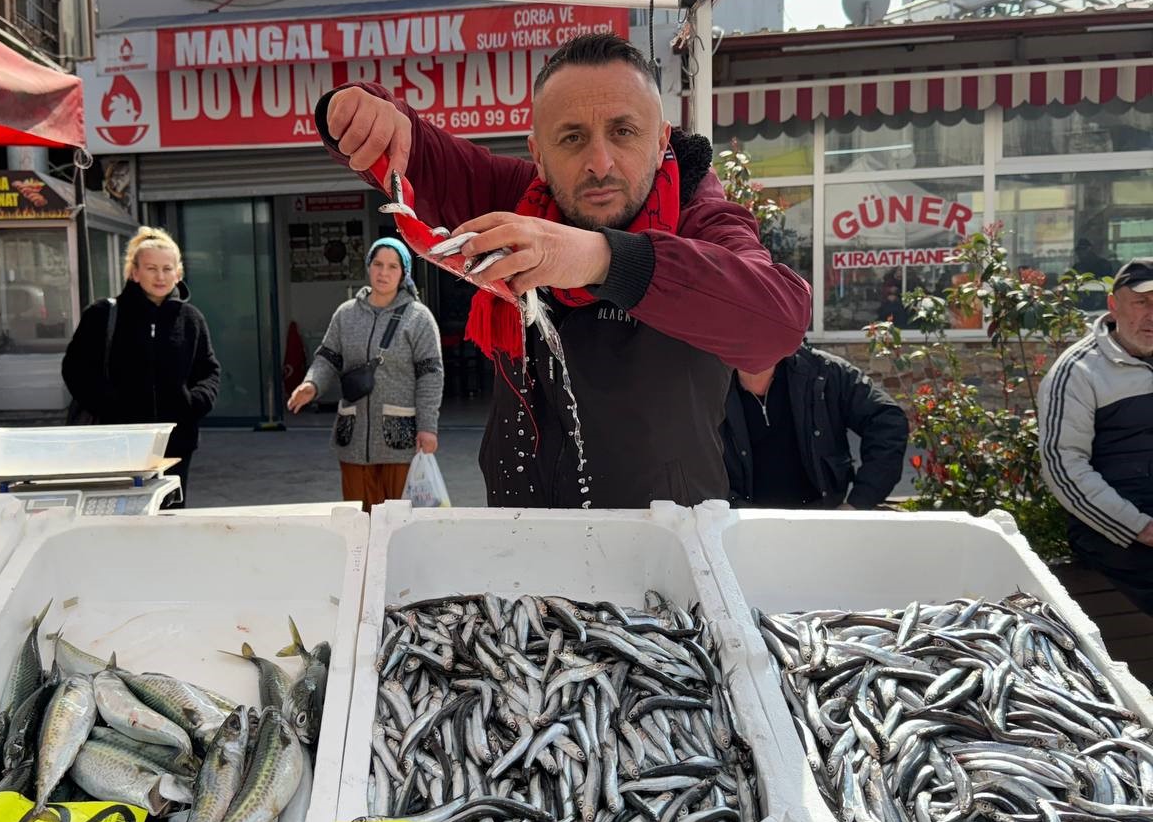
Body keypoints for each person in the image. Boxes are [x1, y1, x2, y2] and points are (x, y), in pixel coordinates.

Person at [314, 33, 811, 508]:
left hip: (661, 542)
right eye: (572, 138)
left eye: (623, 132)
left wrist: (601, 258)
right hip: (521, 531)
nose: (599, 161)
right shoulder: (520, 199)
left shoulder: (702, 218)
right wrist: (361, 110)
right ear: (540, 156)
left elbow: (777, 322)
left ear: (662, 140)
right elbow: (420, 154)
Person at [62, 227, 220, 508]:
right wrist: (110, 407)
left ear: (178, 274)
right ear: (134, 273)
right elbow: (76, 370)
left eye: (167, 268)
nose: (160, 276)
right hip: (115, 442)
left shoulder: (191, 319)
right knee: (118, 514)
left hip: (175, 443)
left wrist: (192, 403)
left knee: (169, 517)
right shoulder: (101, 315)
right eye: (151, 268)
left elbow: (208, 371)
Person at [287, 238, 443, 512]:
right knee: (360, 520)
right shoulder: (345, 314)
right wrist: (312, 384)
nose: (384, 272)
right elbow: (328, 358)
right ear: (369, 267)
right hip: (354, 441)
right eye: (378, 264)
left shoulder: (419, 318)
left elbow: (430, 375)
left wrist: (428, 427)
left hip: (400, 440)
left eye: (392, 266)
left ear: (403, 273)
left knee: (398, 521)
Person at [1039, 257, 1153, 612]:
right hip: (1116, 527)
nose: (1152, 314)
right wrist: (1142, 527)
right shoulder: (1078, 371)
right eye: (1142, 302)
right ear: (1113, 306)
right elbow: (1063, 466)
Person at [722, 345, 908, 510]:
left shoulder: (823, 372)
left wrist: (858, 502)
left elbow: (888, 420)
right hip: (740, 527)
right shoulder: (706, 385)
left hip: (821, 522)